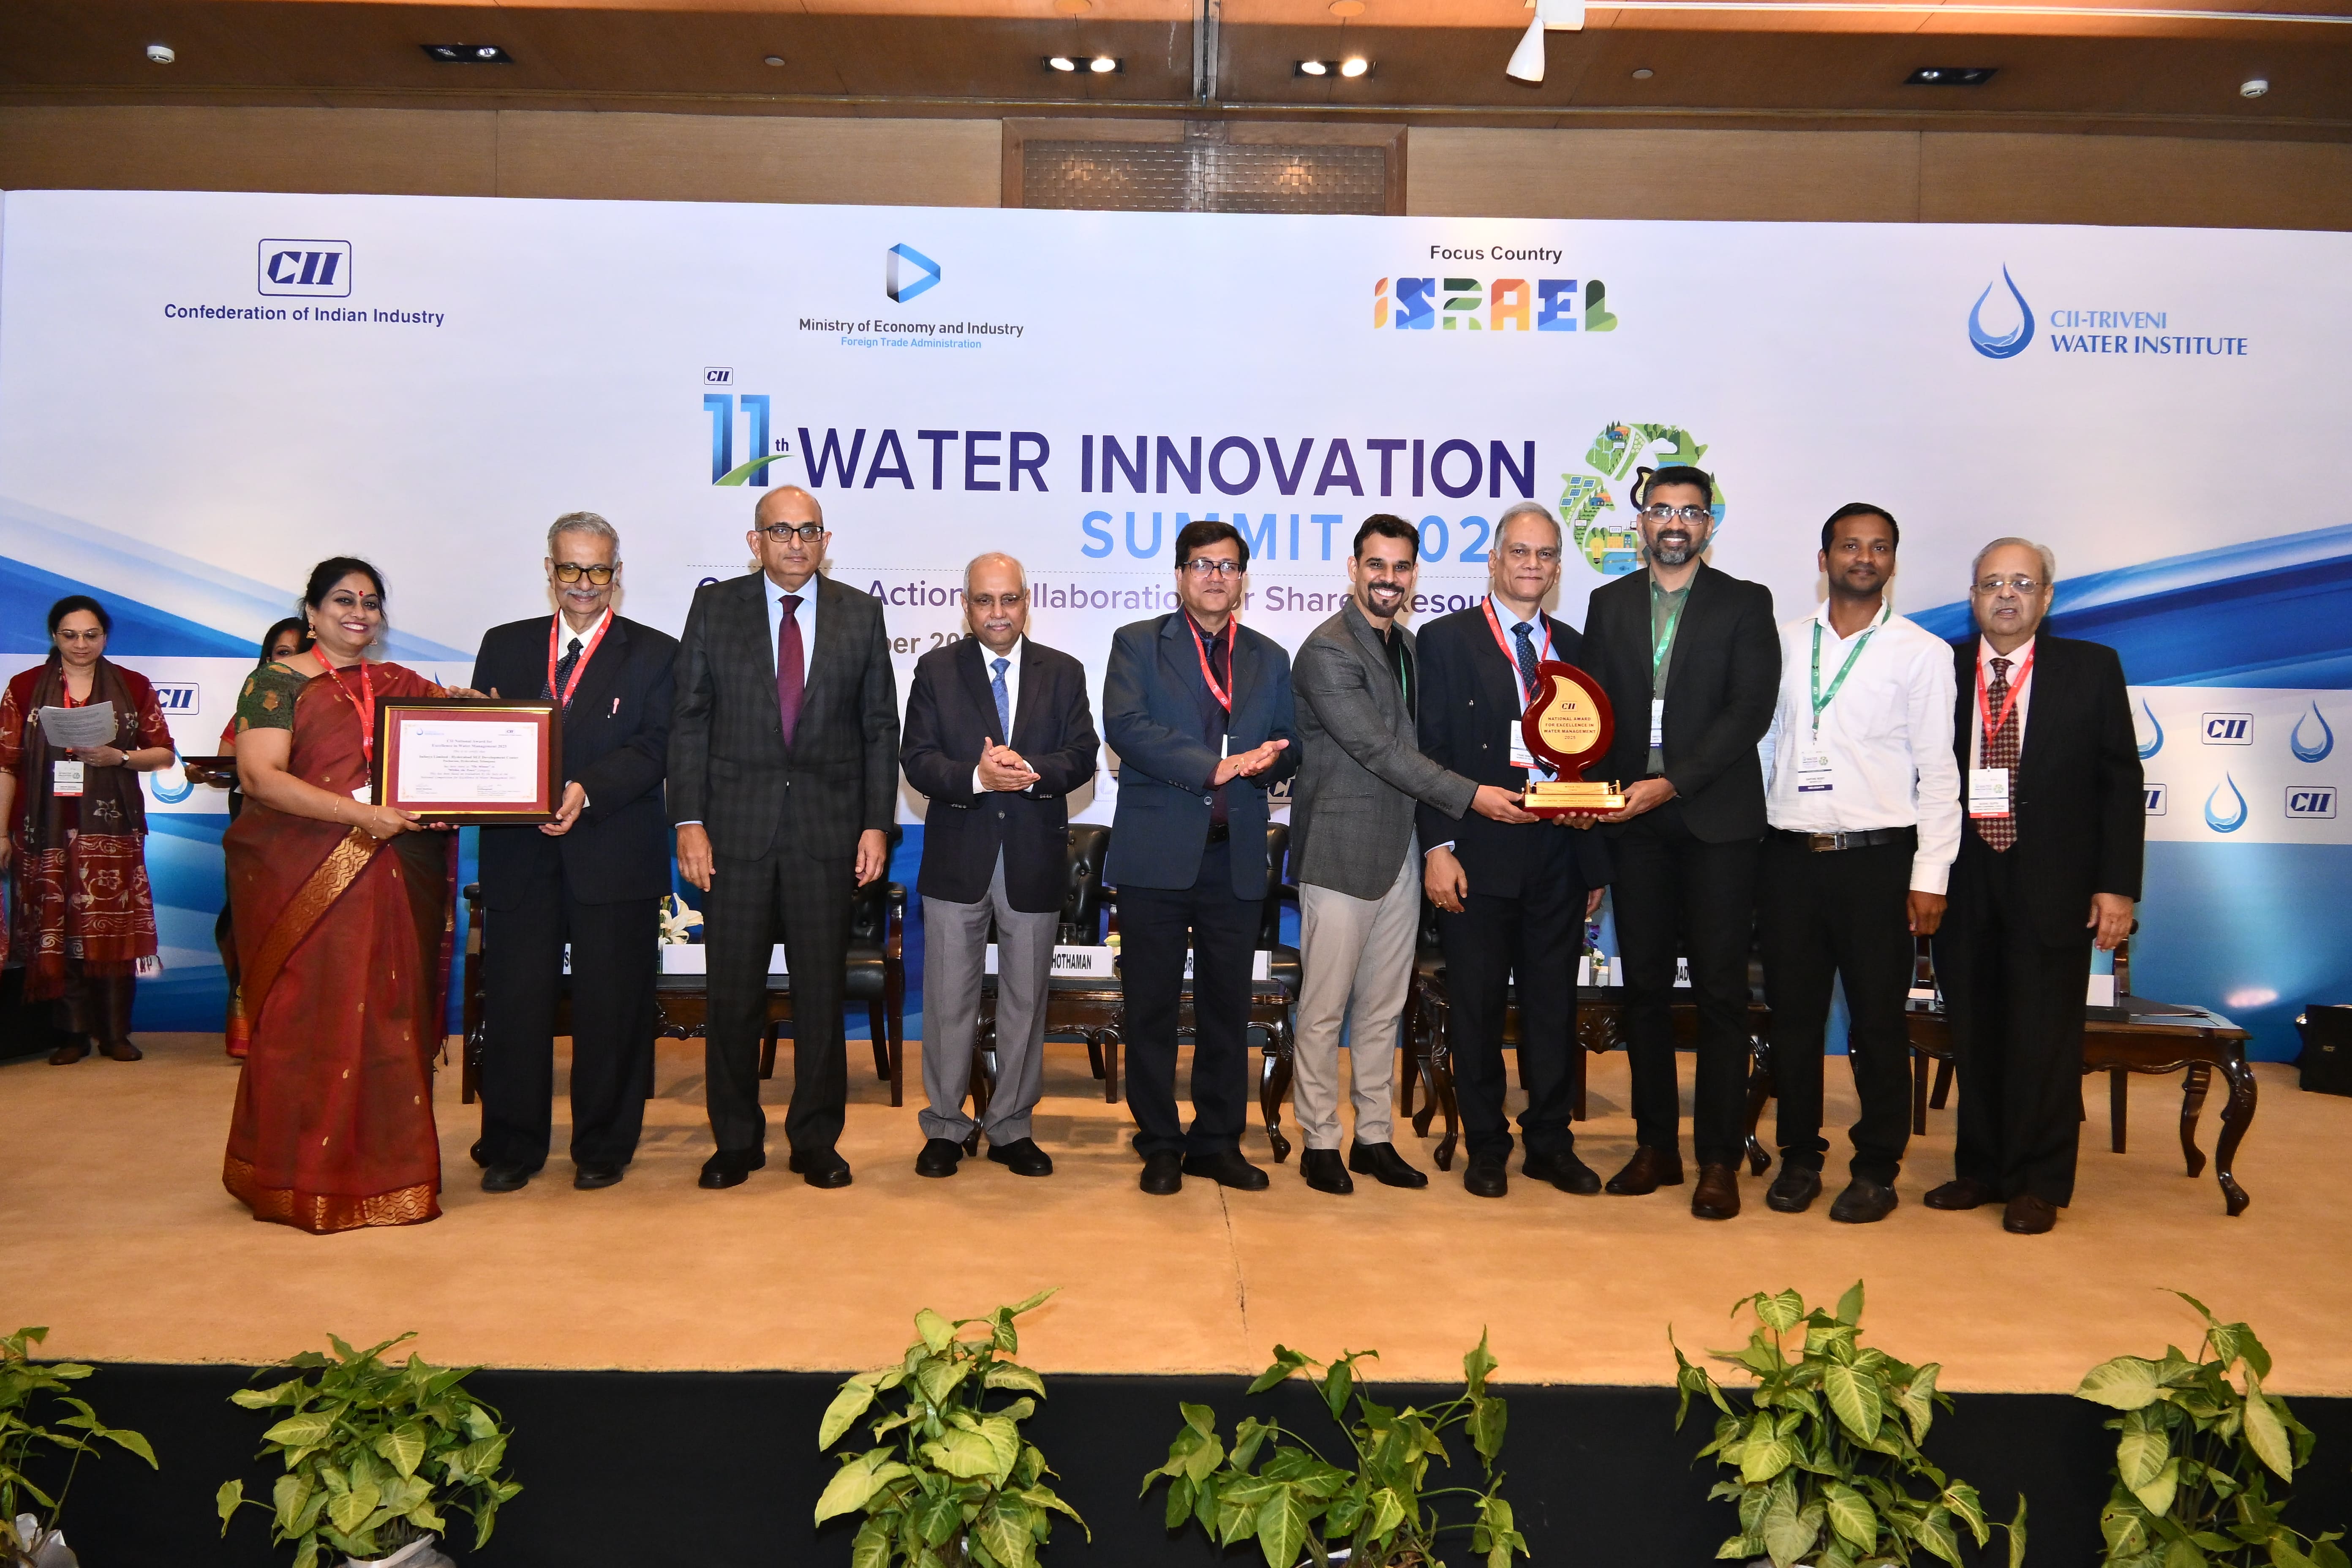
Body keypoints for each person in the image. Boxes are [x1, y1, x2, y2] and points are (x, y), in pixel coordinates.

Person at [221, 558, 469, 1232]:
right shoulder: (274, 683)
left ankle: (390, 1176)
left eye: (371, 601)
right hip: (304, 873)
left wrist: (484, 719)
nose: (359, 612)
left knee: (389, 1018)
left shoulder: (403, 685)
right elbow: (261, 777)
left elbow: (455, 752)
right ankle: (296, 1180)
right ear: (311, 612)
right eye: (343, 600)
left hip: (397, 874)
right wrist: (360, 816)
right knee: (307, 1019)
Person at [670, 485, 898, 1191]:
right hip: (733, 833)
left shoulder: (860, 613)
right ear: (755, 541)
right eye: (781, 531)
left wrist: (876, 823)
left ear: (825, 540)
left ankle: (815, 1140)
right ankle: (735, 1141)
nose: (796, 543)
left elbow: (879, 727)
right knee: (732, 994)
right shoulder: (715, 609)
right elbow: (689, 720)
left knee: (820, 997)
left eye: (808, 531)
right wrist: (688, 821)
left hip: (827, 834)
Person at [1926, 538, 2142, 1235]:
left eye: (2022, 583)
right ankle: (1980, 1168)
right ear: (1972, 597)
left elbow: (2119, 782)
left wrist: (2116, 886)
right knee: (1974, 1027)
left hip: (2054, 877)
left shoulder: (2090, 667)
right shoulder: (1940, 667)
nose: (2006, 595)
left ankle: (2038, 1181)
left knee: (2044, 1035)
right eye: (1992, 583)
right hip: (1962, 874)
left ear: (2047, 597)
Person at [1583, 465, 1778, 1220]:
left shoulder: (1745, 602)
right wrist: (1593, 798)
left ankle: (1718, 1158)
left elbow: (1748, 712)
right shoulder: (1608, 604)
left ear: (1708, 525)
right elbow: (1592, 715)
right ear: (1640, 522)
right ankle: (1656, 1146)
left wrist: (1673, 783)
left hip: (1715, 822)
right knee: (1644, 992)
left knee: (1721, 995)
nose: (1674, 523)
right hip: (1634, 825)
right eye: (1661, 510)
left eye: (1689, 512)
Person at [1756, 504, 1960, 1223]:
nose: (1863, 558)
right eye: (1850, 545)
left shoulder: (1921, 652)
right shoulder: (1782, 643)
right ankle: (1799, 1156)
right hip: (1788, 858)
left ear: (1892, 562)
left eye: (1878, 547)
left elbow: (1939, 773)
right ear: (1824, 559)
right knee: (1794, 1021)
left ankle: (1875, 1167)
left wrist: (1930, 876)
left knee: (1877, 1024)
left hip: (1878, 863)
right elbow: (1764, 748)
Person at [1289, 516, 1498, 1195]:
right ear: (1354, 569)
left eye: (1401, 567)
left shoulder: (1408, 646)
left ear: (1413, 575)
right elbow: (1378, 750)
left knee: (1383, 1008)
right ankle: (1320, 1141)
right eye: (1376, 565)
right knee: (1325, 1009)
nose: (1389, 578)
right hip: (1340, 853)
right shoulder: (1327, 650)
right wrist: (1474, 795)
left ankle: (1373, 1137)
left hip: (1404, 852)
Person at [470, 512, 679, 1194]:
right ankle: (512, 1145)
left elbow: (657, 746)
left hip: (612, 849)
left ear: (617, 575)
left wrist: (588, 789)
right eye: (570, 568)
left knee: (613, 1009)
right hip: (518, 856)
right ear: (549, 570)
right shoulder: (503, 645)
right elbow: (485, 737)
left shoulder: (657, 652)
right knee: (515, 1006)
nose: (584, 583)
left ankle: (603, 1144)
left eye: (598, 569)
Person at [1416, 504, 1613, 1198]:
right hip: (1476, 852)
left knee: (1552, 1006)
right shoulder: (1445, 639)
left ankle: (1549, 1143)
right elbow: (1427, 752)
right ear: (1494, 560)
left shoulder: (1577, 647)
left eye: (1546, 554)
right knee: (1475, 1008)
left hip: (1559, 855)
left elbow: (1594, 757)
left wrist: (1592, 858)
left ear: (1558, 568)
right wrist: (1437, 846)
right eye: (1520, 552)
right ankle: (1487, 1144)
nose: (1533, 564)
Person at [1103, 518, 1296, 1196]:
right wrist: (1213, 767)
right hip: (1155, 855)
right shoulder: (1137, 644)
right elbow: (1127, 728)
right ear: (1180, 575)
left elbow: (1292, 741)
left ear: (1243, 579)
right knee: (1151, 1009)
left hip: (1235, 856)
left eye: (1228, 566)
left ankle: (1216, 1142)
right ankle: (1159, 1142)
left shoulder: (1269, 656)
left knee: (1226, 1010)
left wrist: (1273, 759)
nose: (1216, 577)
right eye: (1202, 565)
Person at [899, 553, 1099, 1179]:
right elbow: (917, 758)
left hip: (1034, 857)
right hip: (957, 857)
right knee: (947, 1001)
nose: (997, 612)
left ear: (1026, 602)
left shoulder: (1062, 671)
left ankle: (1011, 1125)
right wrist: (977, 777)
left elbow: (1084, 754)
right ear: (966, 606)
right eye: (984, 601)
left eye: (1009, 599)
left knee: (1025, 1002)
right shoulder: (936, 670)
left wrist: (1030, 770)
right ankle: (945, 1126)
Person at [0, 596, 177, 1064]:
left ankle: (115, 1034)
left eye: (91, 635)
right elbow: (6, 764)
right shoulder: (24, 686)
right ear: (54, 636)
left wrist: (119, 756)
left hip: (112, 830)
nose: (81, 644)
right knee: (55, 929)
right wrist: (0, 833)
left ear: (105, 636)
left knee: (112, 930)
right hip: (44, 830)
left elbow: (164, 754)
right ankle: (71, 1035)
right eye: (70, 635)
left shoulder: (134, 685)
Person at [215, 616, 312, 1059]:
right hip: (258, 831)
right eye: (282, 654)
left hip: (318, 832)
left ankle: (304, 1031)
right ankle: (249, 1031)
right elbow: (225, 763)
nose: (291, 663)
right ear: (268, 659)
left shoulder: (338, 703)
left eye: (299, 652)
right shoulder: (256, 703)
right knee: (250, 924)